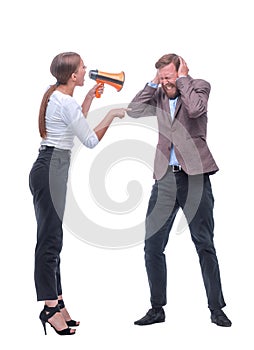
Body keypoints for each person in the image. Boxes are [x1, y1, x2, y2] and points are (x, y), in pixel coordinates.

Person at [127, 53, 231, 327]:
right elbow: (134, 110)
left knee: (204, 243)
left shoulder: (198, 86)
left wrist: (182, 80)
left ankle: (216, 308)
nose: (166, 83)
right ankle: (156, 308)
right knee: (152, 246)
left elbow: (196, 110)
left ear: (182, 71)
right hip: (165, 178)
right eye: (162, 78)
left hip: (195, 177)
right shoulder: (159, 94)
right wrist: (154, 83)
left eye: (169, 77)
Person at [29, 52, 128, 335]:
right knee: (49, 241)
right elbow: (90, 139)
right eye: (83, 67)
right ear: (73, 76)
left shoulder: (59, 96)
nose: (86, 70)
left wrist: (88, 100)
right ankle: (49, 308)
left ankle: (58, 302)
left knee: (53, 237)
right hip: (52, 169)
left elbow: (75, 123)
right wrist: (111, 114)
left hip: (51, 166)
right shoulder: (64, 100)